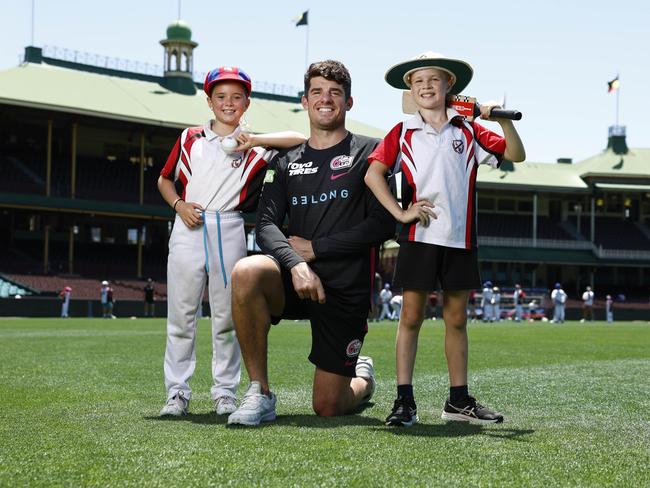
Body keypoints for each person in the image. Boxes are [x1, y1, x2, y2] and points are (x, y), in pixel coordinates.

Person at [227, 60, 395, 426]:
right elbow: (266, 225)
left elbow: (382, 223)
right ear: (305, 101)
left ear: (349, 103)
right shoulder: (284, 161)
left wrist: (317, 249)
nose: (326, 99)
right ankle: (260, 392)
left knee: (328, 406)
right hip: (295, 279)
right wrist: (298, 264)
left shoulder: (372, 153)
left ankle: (362, 376)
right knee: (246, 271)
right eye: (317, 92)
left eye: (335, 93)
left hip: (344, 289)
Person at [364, 51, 525, 426]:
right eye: (418, 81)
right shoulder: (403, 131)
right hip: (419, 237)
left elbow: (515, 153)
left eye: (433, 80)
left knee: (456, 319)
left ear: (449, 85)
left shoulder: (468, 130)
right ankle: (404, 401)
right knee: (411, 317)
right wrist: (401, 213)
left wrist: (500, 119)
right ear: (410, 88)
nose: (425, 87)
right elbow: (374, 174)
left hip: (460, 239)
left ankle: (458, 401)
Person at [157, 66, 306, 417]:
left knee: (226, 318)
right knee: (182, 315)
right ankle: (177, 393)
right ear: (208, 101)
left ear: (247, 103)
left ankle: (224, 392)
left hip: (229, 226)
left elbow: (300, 139)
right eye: (221, 96)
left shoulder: (255, 147)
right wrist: (178, 205)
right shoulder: (190, 137)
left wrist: (254, 139)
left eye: (237, 97)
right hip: (188, 226)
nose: (228, 103)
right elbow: (165, 180)